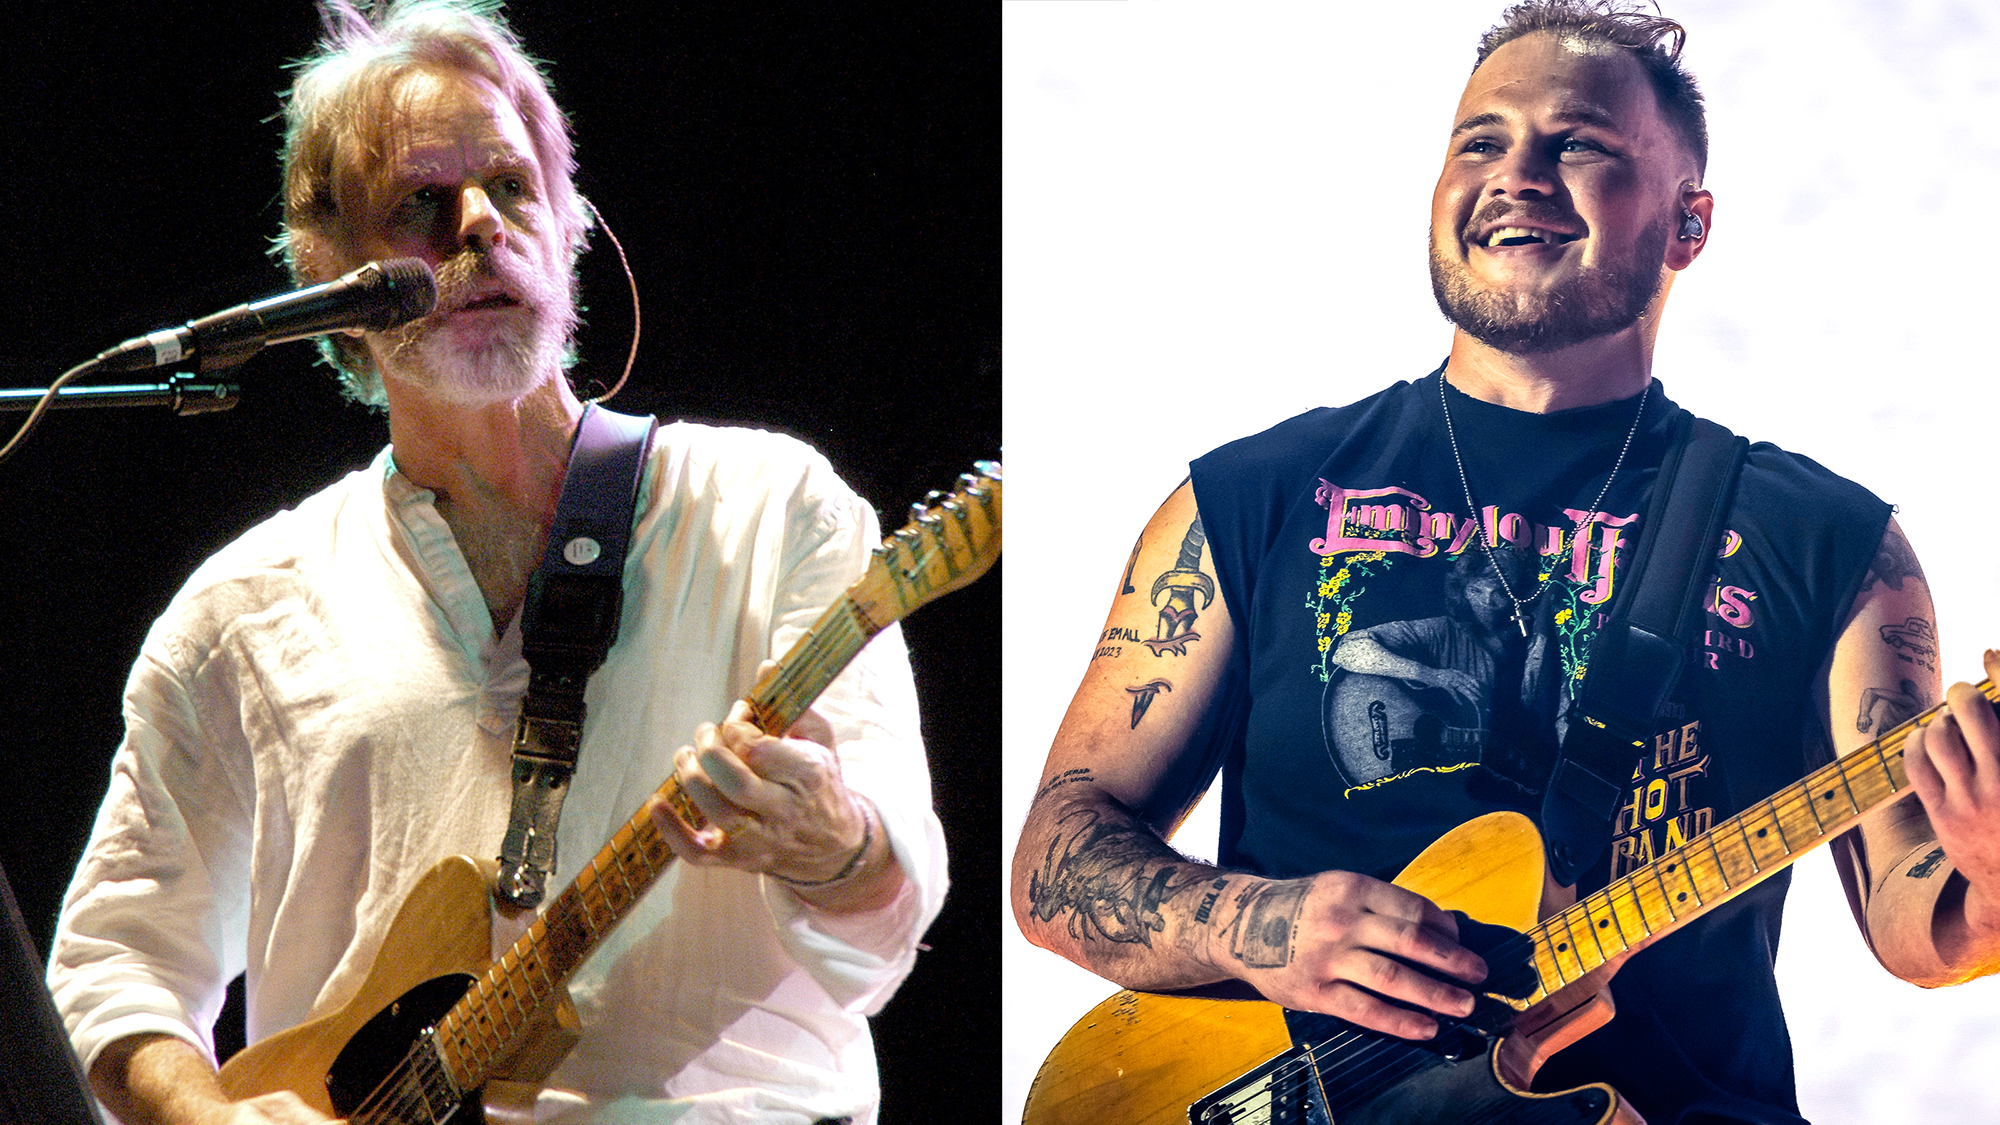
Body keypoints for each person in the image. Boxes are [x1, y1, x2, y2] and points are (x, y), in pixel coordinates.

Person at [1011, 2, 2000, 1122]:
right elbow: (1055, 859)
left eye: (1576, 144)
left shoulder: (1828, 540)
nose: (1515, 176)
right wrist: (1261, 926)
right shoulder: (1252, 496)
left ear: (1688, 222)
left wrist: (1990, 876)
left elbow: (1915, 916)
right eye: (1479, 140)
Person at [46, 2, 946, 1123]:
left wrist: (837, 845)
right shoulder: (238, 612)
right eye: (420, 205)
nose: (478, 224)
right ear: (327, 272)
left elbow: (888, 922)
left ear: (568, 226)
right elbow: (114, 966)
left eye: (513, 187)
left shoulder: (769, 508)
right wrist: (211, 1117)